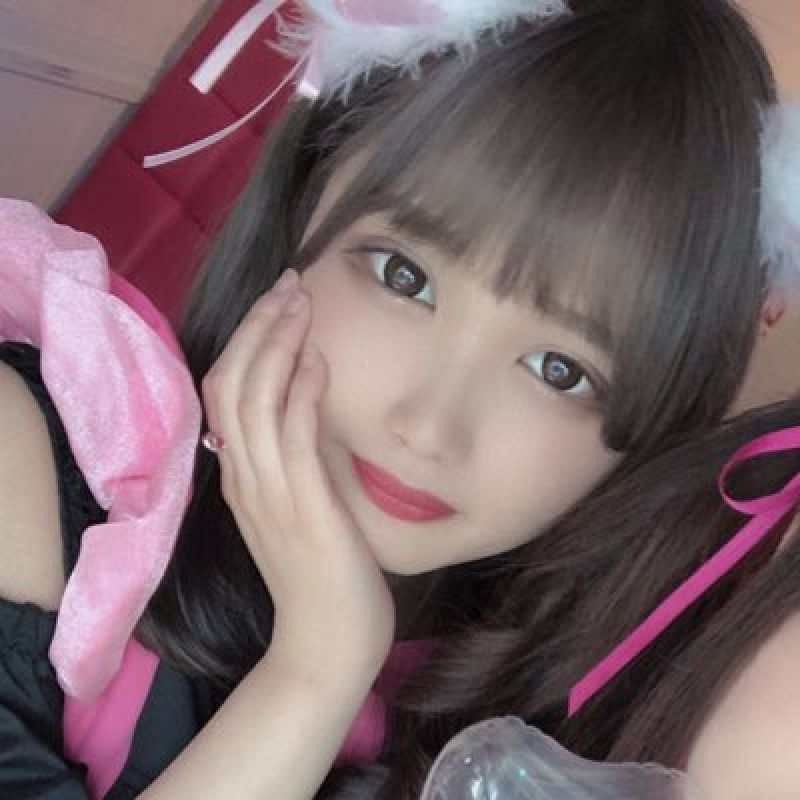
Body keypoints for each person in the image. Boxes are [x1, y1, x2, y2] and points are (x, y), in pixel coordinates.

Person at [0, 1, 797, 799]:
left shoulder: (561, 708)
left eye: (560, 370)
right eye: (403, 276)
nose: (428, 427)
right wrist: (317, 668)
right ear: (302, 203)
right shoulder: (45, 450)